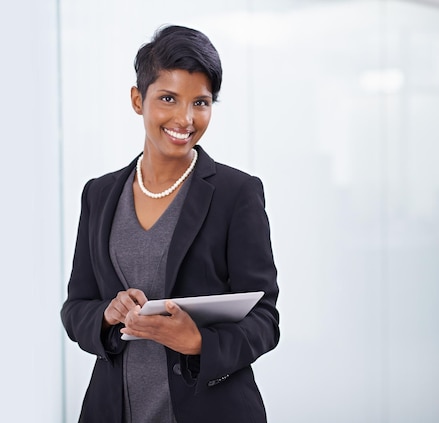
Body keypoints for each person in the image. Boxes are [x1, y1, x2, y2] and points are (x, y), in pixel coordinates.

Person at [60, 25, 279, 423]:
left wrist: (199, 342)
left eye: (201, 102)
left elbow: (265, 319)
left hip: (212, 411)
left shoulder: (237, 193)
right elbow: (75, 308)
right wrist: (107, 315)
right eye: (168, 98)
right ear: (137, 99)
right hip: (114, 410)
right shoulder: (99, 194)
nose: (186, 118)